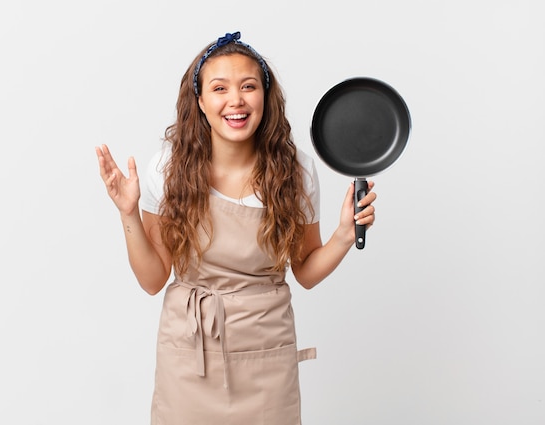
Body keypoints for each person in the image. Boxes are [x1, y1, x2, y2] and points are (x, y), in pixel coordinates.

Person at [96, 31, 376, 425]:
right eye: (219, 88)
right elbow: (153, 279)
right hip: (189, 356)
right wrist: (127, 212)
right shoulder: (168, 168)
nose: (236, 100)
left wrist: (344, 235)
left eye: (249, 86)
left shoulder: (294, 171)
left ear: (266, 95)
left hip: (267, 355)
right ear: (200, 101)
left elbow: (306, 272)